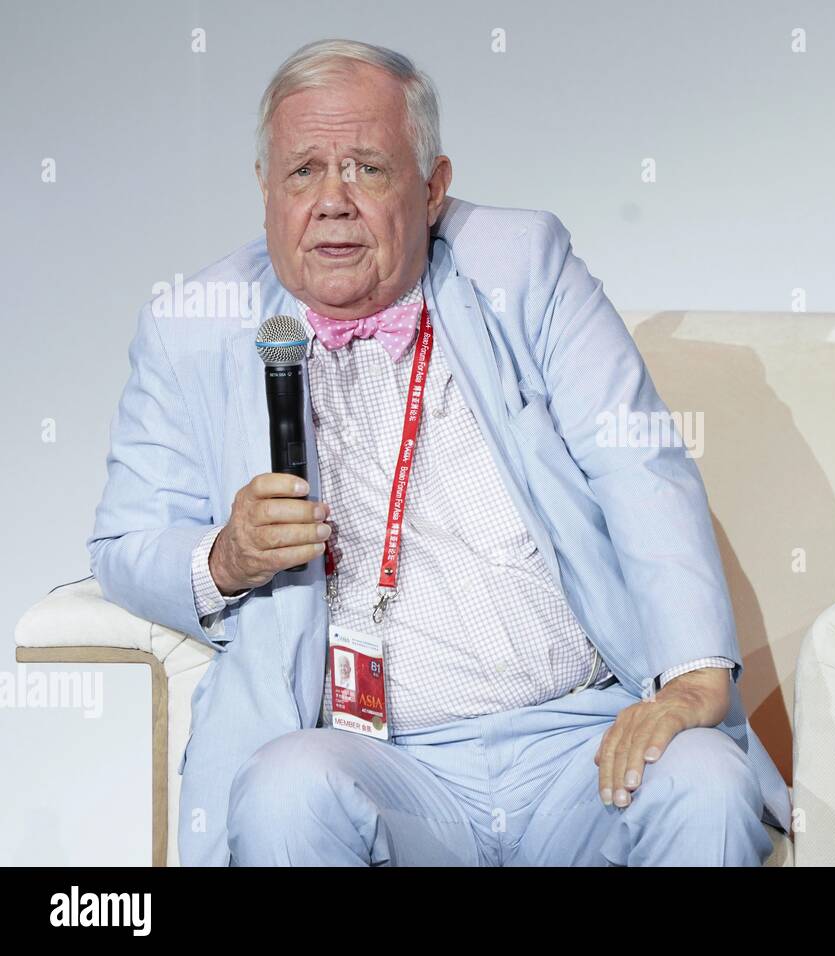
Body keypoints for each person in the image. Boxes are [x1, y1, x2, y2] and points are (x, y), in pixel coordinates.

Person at [88, 38, 789, 866]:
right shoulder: (191, 328)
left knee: (703, 782)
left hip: (582, 737)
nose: (333, 202)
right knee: (286, 789)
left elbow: (637, 462)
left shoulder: (521, 265)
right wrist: (225, 556)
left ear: (432, 188)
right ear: (265, 190)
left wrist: (696, 673)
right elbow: (125, 544)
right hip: (377, 760)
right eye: (303, 171)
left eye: (368, 170)